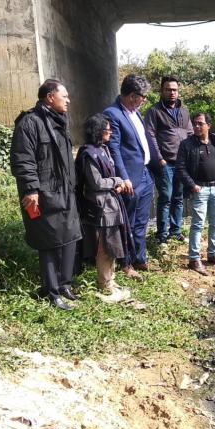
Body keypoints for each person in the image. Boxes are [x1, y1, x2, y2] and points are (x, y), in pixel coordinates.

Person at [10, 79, 81, 310]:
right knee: (48, 242)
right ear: (50, 97)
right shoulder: (30, 123)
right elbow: (23, 159)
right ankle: (51, 292)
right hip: (43, 194)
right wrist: (31, 189)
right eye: (65, 96)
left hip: (65, 191)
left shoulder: (60, 121)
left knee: (69, 237)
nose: (68, 100)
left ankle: (64, 285)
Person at [102, 74, 158, 275]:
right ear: (133, 95)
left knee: (142, 220)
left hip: (144, 174)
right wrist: (124, 178)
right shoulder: (113, 114)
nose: (144, 100)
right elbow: (114, 149)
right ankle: (125, 264)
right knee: (128, 222)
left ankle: (139, 258)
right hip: (129, 179)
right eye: (143, 96)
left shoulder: (135, 112)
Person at [75, 114, 132, 303]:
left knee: (112, 245)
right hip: (100, 207)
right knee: (103, 247)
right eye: (108, 130)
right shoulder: (88, 153)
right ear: (98, 131)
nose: (111, 132)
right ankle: (103, 283)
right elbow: (96, 182)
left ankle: (111, 280)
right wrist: (117, 181)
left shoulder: (104, 149)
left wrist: (116, 184)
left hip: (111, 203)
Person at [176, 112, 215, 275]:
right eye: (195, 123)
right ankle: (194, 259)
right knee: (197, 224)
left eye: (200, 123)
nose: (196, 126)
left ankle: (213, 254)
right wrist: (192, 185)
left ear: (209, 125)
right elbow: (180, 168)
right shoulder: (187, 144)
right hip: (199, 189)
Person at [144, 76, 193, 246]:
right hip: (165, 162)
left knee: (178, 197)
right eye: (168, 89)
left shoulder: (184, 111)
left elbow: (190, 133)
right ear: (162, 91)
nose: (172, 93)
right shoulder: (154, 112)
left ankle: (176, 231)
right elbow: (150, 136)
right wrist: (159, 159)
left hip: (182, 162)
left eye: (174, 90)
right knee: (166, 197)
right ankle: (161, 235)